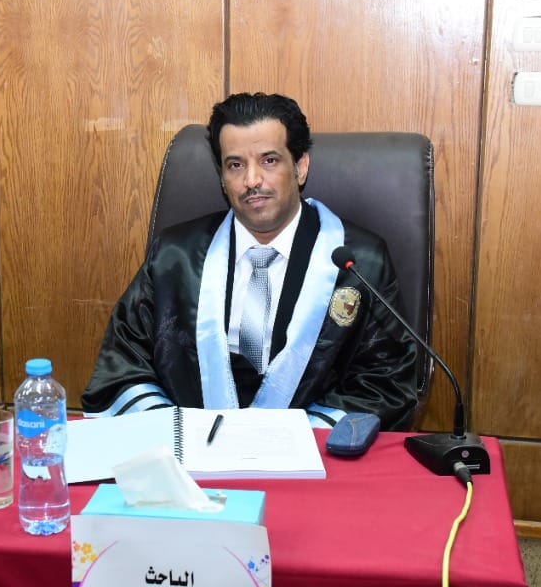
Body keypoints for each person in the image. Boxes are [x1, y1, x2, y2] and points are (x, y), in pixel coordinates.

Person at [81, 92, 420, 430]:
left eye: (269, 161)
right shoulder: (174, 256)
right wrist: (177, 430)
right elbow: (124, 366)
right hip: (189, 449)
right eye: (236, 165)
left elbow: (384, 382)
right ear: (221, 175)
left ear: (300, 166)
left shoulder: (357, 262)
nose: (252, 180)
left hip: (309, 450)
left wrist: (295, 438)